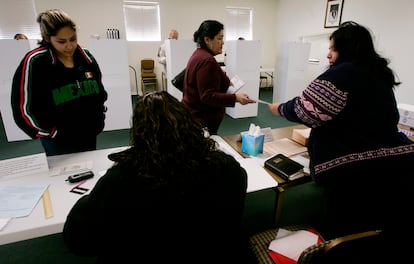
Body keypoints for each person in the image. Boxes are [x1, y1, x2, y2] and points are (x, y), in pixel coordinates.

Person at [268, 21, 414, 259]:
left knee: (348, 227)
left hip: (355, 170)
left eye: (332, 49)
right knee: (381, 219)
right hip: (395, 160)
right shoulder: (378, 73)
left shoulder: (343, 73)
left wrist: (279, 108)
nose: (328, 54)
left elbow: (306, 110)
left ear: (346, 50)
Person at [62, 91, 254, 263]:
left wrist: (85, 202)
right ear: (189, 122)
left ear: (138, 133)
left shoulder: (121, 179)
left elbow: (80, 242)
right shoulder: (226, 166)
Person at [11, 9, 108, 156]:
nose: (69, 46)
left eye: (73, 39)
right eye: (61, 41)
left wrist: (99, 118)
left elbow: (99, 91)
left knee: (89, 172)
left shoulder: (86, 57)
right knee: (63, 177)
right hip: (58, 141)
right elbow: (23, 110)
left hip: (88, 133)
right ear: (48, 38)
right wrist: (53, 132)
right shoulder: (36, 62)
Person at [182, 20, 255, 135]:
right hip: (203, 118)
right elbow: (207, 96)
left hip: (195, 115)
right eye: (219, 38)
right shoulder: (207, 60)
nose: (223, 42)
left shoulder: (199, 54)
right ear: (207, 40)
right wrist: (235, 97)